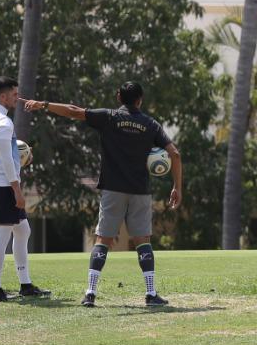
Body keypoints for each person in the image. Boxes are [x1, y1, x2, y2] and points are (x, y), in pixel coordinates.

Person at [23, 81, 181, 307]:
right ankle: (150, 293)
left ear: (119, 97)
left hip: (112, 189)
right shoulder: (151, 125)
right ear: (140, 100)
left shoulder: (109, 117)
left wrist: (43, 104)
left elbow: (72, 111)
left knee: (103, 240)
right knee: (142, 242)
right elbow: (174, 153)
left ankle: (90, 293)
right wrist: (177, 187)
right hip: (140, 191)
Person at [0, 76, 49, 301]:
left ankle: (25, 284)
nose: (17, 98)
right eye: (14, 94)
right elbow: (7, 161)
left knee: (22, 230)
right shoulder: (3, 122)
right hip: (2, 184)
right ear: (3, 96)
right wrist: (17, 190)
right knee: (1, 235)